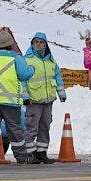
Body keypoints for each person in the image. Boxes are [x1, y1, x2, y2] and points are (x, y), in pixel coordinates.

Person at [0, 32, 35, 165]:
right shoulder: (15, 58)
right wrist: (31, 68)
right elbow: (24, 75)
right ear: (10, 44)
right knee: (14, 129)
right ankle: (21, 157)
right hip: (9, 101)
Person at [23, 32, 66, 164]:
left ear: (46, 44)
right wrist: (25, 96)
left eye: (41, 42)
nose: (39, 44)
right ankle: (30, 154)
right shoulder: (27, 60)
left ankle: (41, 153)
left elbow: (57, 76)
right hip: (33, 100)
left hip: (48, 101)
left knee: (45, 127)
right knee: (32, 127)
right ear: (32, 44)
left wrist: (61, 93)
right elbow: (22, 80)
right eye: (36, 42)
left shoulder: (51, 60)